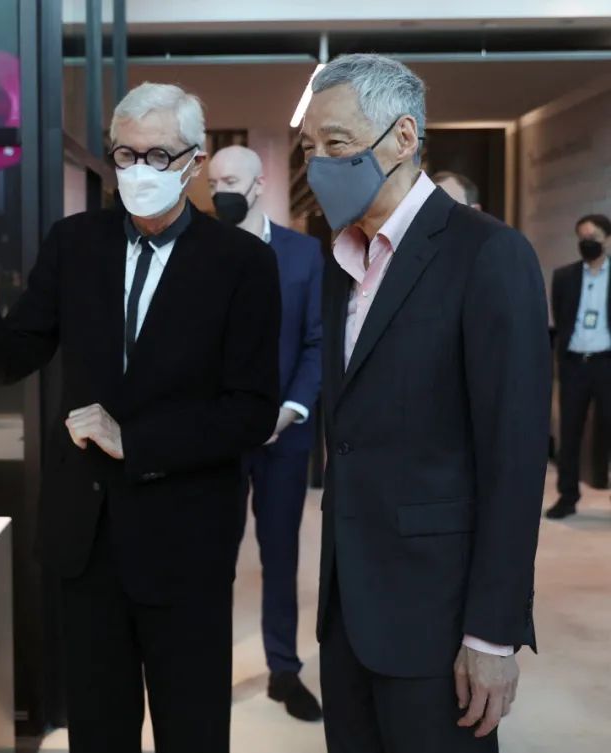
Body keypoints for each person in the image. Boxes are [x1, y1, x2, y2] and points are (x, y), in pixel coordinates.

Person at [0, 82, 281, 752]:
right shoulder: (75, 242)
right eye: (126, 154)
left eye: (159, 155)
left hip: (185, 543)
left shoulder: (242, 262)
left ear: (195, 162)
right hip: (85, 539)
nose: (140, 170)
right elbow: (15, 355)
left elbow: (252, 411)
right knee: (97, 731)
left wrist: (134, 439)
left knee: (193, 730)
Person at [300, 54, 550, 753]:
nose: (319, 164)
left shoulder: (487, 253)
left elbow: (514, 457)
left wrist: (491, 633)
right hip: (347, 613)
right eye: (310, 148)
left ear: (403, 137)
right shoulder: (340, 261)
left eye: (337, 144)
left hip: (438, 620)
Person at [208, 145, 325, 722]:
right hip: (215, 440)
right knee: (212, 559)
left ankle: (283, 669)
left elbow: (317, 341)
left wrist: (291, 410)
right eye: (212, 182)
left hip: (285, 436)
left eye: (230, 180)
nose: (219, 191)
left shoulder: (304, 254)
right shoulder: (195, 251)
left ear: (259, 184)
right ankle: (205, 672)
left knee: (280, 557)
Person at [547, 214, 611, 519]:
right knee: (569, 432)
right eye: (582, 237)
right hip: (574, 365)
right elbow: (561, 319)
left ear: (607, 239)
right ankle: (567, 496)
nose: (587, 243)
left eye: (593, 237)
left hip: (607, 363)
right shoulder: (564, 277)